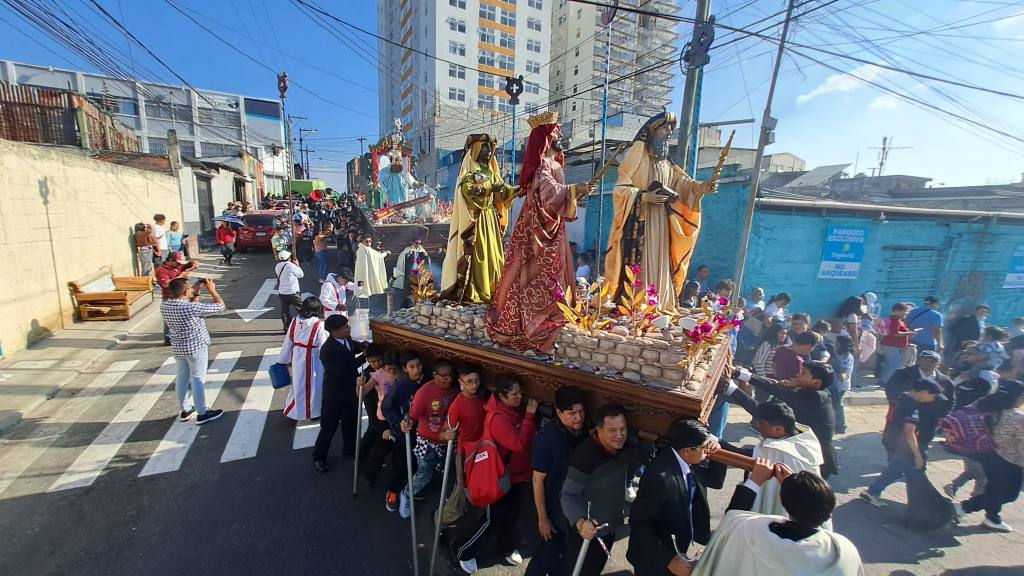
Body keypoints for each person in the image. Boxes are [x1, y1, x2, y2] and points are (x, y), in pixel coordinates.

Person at [487, 113, 595, 352]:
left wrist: (577, 191)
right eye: (555, 132)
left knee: (554, 269)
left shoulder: (555, 163)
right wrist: (575, 189)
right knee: (537, 271)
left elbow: (557, 193)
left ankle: (555, 308)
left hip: (554, 226)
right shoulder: (542, 166)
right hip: (535, 227)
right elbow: (548, 194)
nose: (560, 136)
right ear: (545, 138)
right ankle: (531, 318)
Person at [603, 112, 717, 312]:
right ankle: (638, 305)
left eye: (670, 130)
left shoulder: (667, 165)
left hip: (663, 222)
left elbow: (683, 185)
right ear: (651, 131)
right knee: (643, 263)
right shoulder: (637, 157)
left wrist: (702, 187)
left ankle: (660, 304)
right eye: (664, 129)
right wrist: (644, 197)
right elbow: (620, 189)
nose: (668, 134)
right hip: (640, 221)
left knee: (663, 261)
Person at [688, 463, 864, 576]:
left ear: (783, 501)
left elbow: (733, 516)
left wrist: (755, 480)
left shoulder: (750, 531)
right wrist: (793, 488)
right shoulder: (844, 551)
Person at [560, 404, 654, 576]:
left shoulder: (627, 446)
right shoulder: (585, 456)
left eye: (623, 429)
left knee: (594, 569)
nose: (619, 436)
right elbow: (567, 494)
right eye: (612, 430)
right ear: (599, 429)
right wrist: (580, 522)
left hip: (609, 528)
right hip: (587, 533)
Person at [456, 377, 538, 574]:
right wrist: (529, 416)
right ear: (502, 396)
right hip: (501, 477)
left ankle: (505, 548)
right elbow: (517, 444)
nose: (520, 397)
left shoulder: (511, 410)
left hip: (517, 475)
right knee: (492, 520)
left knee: (510, 517)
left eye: (521, 393)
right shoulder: (498, 418)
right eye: (514, 394)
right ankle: (463, 550)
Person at [627, 419, 726, 576]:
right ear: (687, 450)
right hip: (654, 559)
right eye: (704, 447)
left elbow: (715, 481)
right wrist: (668, 560)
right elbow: (640, 524)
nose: (707, 451)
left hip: (678, 547)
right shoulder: (659, 477)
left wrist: (718, 450)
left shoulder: (689, 461)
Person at [721, 383, 826, 521]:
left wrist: (711, 441)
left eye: (761, 424)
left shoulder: (780, 451)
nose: (757, 427)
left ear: (778, 429)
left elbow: (743, 456)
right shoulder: (799, 437)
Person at [440, 133, 517, 304]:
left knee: (495, 255)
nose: (489, 152)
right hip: (477, 220)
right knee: (480, 255)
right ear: (475, 150)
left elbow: (502, 192)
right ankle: (476, 291)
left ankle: (494, 290)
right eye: (484, 148)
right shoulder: (470, 170)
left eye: (490, 149)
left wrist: (518, 190)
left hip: (490, 218)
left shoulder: (490, 172)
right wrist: (488, 190)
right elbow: (467, 191)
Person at [735, 361, 838, 478]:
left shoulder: (815, 397)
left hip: (815, 458)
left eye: (803, 373)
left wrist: (739, 375)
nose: (798, 374)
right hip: (804, 451)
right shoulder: (818, 391)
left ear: (817, 382)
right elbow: (776, 388)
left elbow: (774, 391)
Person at [526, 386, 587, 576]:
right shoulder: (547, 440)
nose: (579, 417)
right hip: (554, 510)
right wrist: (543, 519)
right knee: (547, 555)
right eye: (572, 413)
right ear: (559, 412)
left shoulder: (582, 431)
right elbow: (537, 480)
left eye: (581, 411)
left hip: (572, 507)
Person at [860, 378, 945, 508]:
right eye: (932, 396)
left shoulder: (903, 396)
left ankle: (872, 492)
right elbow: (909, 432)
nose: (933, 399)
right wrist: (917, 455)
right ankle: (921, 505)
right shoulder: (912, 405)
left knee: (897, 468)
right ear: (923, 392)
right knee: (911, 469)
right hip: (904, 444)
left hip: (894, 439)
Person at [953, 379, 1024, 532]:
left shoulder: (984, 406)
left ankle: (992, 517)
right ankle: (963, 508)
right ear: (1017, 397)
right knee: (1009, 494)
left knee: (994, 489)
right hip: (1010, 462)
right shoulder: (1018, 418)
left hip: (986, 455)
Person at [160, 277, 224, 424]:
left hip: (178, 347)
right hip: (196, 347)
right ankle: (202, 413)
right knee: (198, 379)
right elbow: (220, 306)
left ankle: (185, 409)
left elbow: (190, 305)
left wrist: (195, 292)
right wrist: (212, 290)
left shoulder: (165, 305)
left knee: (182, 378)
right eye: (189, 288)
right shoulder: (189, 308)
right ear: (184, 292)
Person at [399, 361, 457, 518]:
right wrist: (406, 424)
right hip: (428, 441)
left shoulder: (456, 390)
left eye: (451, 375)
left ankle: (449, 501)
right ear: (435, 375)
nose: (448, 379)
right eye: (444, 376)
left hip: (450, 441)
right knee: (424, 474)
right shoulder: (424, 393)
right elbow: (412, 416)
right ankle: (406, 494)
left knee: (451, 472)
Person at [312, 314, 363, 471]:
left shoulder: (346, 338)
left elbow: (351, 347)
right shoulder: (328, 350)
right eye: (345, 327)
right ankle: (319, 457)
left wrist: (362, 346)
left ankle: (349, 449)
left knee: (351, 422)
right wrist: (365, 357)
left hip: (350, 390)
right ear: (334, 332)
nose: (349, 328)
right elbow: (345, 369)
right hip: (334, 394)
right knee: (329, 426)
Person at [381, 351, 429, 516]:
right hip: (404, 434)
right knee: (400, 465)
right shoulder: (400, 386)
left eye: (419, 365)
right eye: (412, 367)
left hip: (424, 434)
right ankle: (392, 492)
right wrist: (397, 423)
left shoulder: (428, 382)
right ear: (405, 369)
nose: (417, 370)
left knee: (418, 466)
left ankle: (410, 491)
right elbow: (387, 407)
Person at [441, 364, 486, 526]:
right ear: (461, 382)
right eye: (469, 381)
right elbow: (447, 430)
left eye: (476, 381)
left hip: (480, 448)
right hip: (465, 451)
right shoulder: (457, 405)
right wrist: (448, 434)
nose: (474, 385)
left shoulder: (480, 400)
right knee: (461, 486)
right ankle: (444, 519)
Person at [278, 297, 328, 422]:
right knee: (315, 385)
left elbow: (288, 341)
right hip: (313, 358)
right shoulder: (319, 324)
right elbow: (323, 346)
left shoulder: (295, 321)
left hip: (297, 357)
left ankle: (294, 411)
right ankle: (314, 412)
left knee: (298, 384)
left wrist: (282, 360)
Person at [156, 252, 197, 345]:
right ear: (170, 261)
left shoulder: (179, 266)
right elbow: (166, 284)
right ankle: (168, 338)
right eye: (177, 262)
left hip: (184, 296)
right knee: (170, 319)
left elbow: (192, 264)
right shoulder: (161, 270)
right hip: (170, 298)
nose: (179, 265)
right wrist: (180, 276)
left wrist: (194, 264)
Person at [878, 302, 918, 386]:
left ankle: (883, 380)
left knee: (889, 364)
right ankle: (886, 382)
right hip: (892, 345)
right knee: (894, 365)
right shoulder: (895, 320)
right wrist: (909, 333)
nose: (905, 314)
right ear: (897, 311)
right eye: (904, 311)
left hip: (889, 345)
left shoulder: (894, 319)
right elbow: (894, 333)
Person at [393, 238, 430, 308]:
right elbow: (403, 259)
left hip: (419, 273)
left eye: (420, 243)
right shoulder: (408, 250)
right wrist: (408, 255)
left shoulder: (422, 250)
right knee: (408, 290)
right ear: (412, 243)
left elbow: (427, 261)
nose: (418, 245)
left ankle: (417, 304)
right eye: (417, 243)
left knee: (419, 289)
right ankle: (406, 306)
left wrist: (426, 255)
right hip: (410, 273)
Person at [831, 335, 855, 434]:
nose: (835, 345)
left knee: (838, 406)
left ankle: (841, 427)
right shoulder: (838, 354)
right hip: (836, 384)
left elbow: (842, 377)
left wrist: (835, 367)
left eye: (837, 343)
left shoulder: (846, 356)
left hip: (841, 385)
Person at [275, 250, 303, 331]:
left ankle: (287, 328)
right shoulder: (291, 266)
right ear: (289, 258)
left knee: (285, 312)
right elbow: (301, 275)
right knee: (302, 309)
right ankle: (305, 324)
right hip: (293, 292)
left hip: (282, 292)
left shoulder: (277, 266)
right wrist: (297, 265)